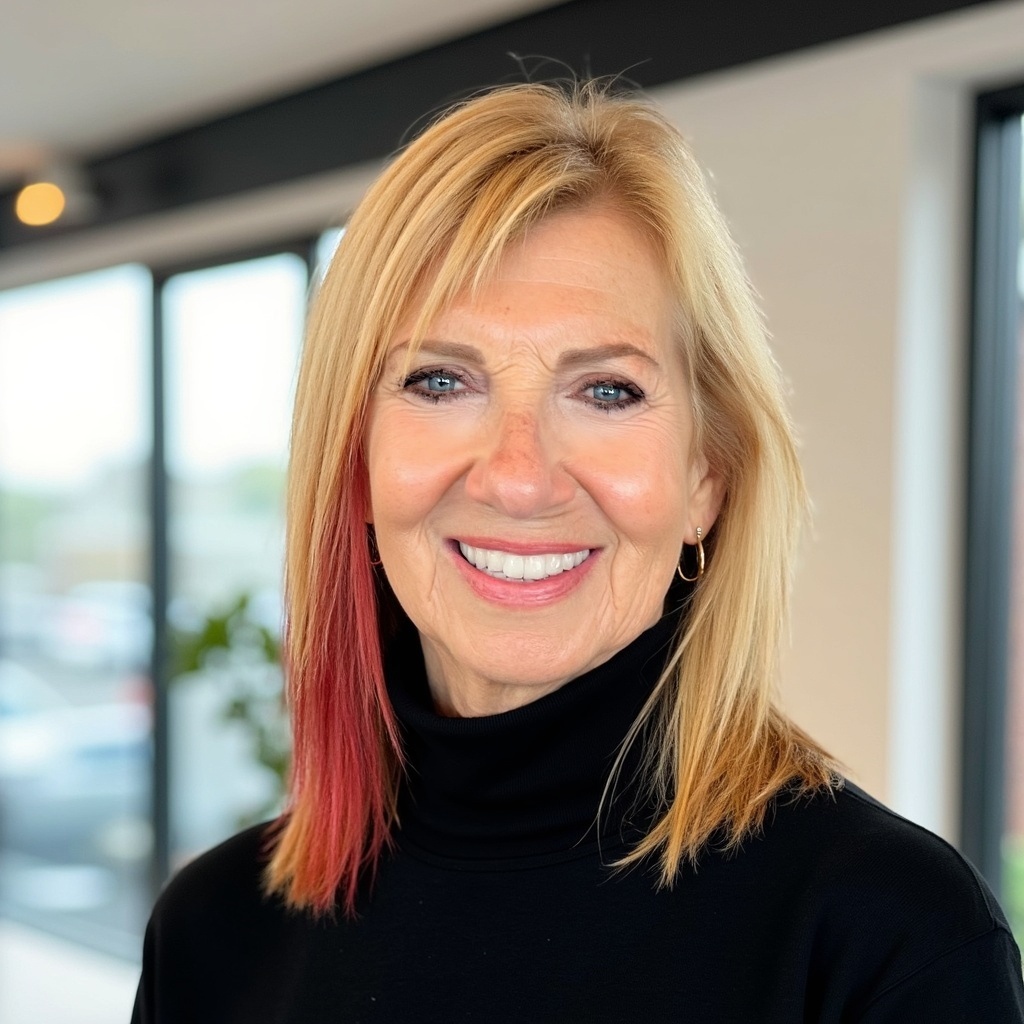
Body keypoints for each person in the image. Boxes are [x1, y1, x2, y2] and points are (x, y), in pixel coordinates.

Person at [132, 81, 1024, 1023]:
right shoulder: (215, 932)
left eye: (606, 392)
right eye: (441, 381)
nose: (520, 479)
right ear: (354, 464)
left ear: (706, 480)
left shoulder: (888, 941)